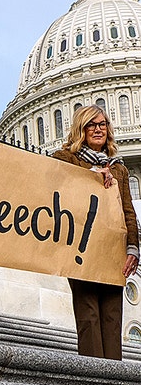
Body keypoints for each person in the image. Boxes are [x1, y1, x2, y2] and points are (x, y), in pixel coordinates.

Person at [52, 105, 139, 360]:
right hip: (81, 246)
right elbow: (53, 186)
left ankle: (114, 376)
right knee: (88, 314)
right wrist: (90, 176)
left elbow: (127, 211)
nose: (98, 129)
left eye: (103, 124)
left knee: (113, 316)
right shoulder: (66, 158)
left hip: (111, 248)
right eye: (92, 124)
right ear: (81, 128)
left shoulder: (119, 169)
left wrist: (132, 248)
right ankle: (94, 375)